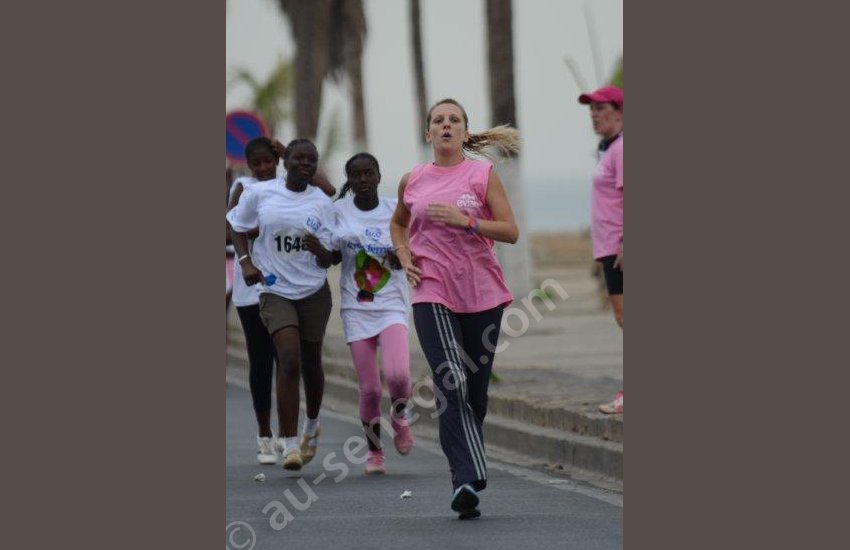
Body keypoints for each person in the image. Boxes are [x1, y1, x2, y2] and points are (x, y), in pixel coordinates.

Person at [390, 98, 519, 519]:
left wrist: (468, 221)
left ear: (465, 131)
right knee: (451, 383)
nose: (446, 125)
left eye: (454, 120)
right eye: (438, 120)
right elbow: (398, 223)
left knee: (475, 394)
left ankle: (468, 472)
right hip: (432, 290)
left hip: (482, 294)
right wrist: (404, 254)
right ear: (428, 132)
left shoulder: (482, 175)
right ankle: (464, 479)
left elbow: (510, 231)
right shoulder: (413, 179)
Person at [227, 138, 337, 471]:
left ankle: (311, 426)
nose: (304, 164)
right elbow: (235, 225)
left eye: (311, 160)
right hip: (275, 290)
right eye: (298, 158)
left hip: (313, 291)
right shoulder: (260, 193)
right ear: (284, 161)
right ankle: (289, 444)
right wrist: (245, 261)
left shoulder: (321, 202)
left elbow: (331, 257)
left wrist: (321, 252)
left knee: (311, 363)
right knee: (288, 358)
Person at [327, 153, 414, 475]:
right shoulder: (339, 211)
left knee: (398, 376)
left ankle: (400, 416)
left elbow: (415, 250)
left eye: (368, 173)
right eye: (356, 175)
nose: (363, 180)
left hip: (392, 305)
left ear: (378, 176)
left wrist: (400, 256)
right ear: (349, 180)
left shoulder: (396, 210)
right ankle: (375, 451)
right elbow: (330, 256)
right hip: (356, 309)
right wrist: (320, 248)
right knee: (370, 390)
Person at [578, 85, 624, 415]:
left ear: (620, 112)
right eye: (591, 109)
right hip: (609, 246)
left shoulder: (621, 148)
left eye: (601, 108)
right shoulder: (609, 148)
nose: (594, 115)